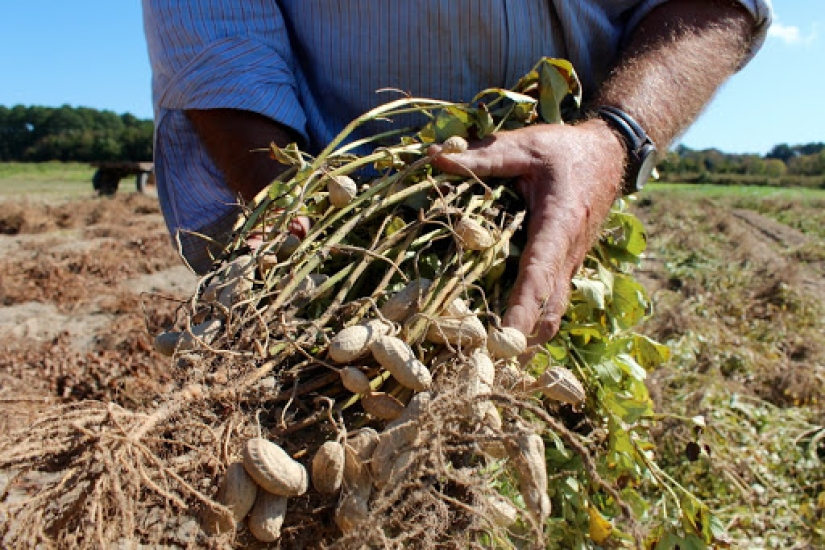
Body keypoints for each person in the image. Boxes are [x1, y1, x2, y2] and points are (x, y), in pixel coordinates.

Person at [142, 0, 771, 343]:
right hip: (320, 221)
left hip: (567, 206)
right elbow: (210, 20)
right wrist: (291, 198)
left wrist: (613, 142)